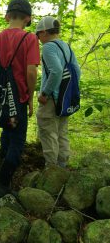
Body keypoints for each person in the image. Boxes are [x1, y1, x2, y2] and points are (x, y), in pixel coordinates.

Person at [0, 0, 40, 198]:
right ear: (28, 19)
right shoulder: (29, 39)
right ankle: (2, 184)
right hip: (18, 100)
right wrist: (30, 97)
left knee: (7, 131)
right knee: (17, 141)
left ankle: (1, 174)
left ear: (7, 16)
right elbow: (31, 72)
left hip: (0, 101)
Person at [36, 16, 81, 168]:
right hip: (64, 99)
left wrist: (45, 93)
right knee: (62, 132)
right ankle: (63, 165)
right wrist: (67, 92)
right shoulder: (66, 47)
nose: (38, 39)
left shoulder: (48, 47)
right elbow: (77, 71)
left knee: (48, 132)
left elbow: (56, 71)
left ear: (44, 32)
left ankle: (51, 169)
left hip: (51, 100)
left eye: (38, 35)